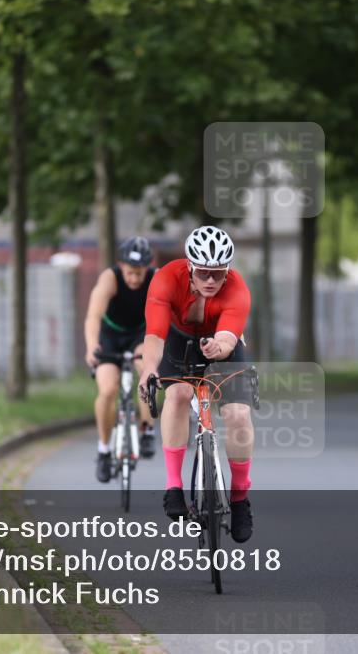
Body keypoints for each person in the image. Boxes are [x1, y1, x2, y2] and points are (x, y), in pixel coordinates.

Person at [136, 226, 256, 543]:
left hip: (222, 341)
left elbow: (229, 336)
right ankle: (174, 487)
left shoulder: (237, 288)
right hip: (177, 341)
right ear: (190, 265)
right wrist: (148, 369)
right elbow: (154, 335)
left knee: (238, 416)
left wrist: (220, 347)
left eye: (218, 274)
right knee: (176, 394)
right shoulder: (165, 279)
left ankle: (240, 498)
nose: (211, 281)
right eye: (204, 272)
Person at [84, 237, 157, 483]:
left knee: (146, 368)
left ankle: (147, 428)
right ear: (121, 266)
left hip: (139, 333)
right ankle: (104, 450)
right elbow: (93, 316)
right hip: (110, 335)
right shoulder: (109, 278)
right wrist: (92, 345)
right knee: (108, 389)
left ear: (147, 268)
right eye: (130, 273)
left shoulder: (155, 279)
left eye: (139, 273)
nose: (135, 279)